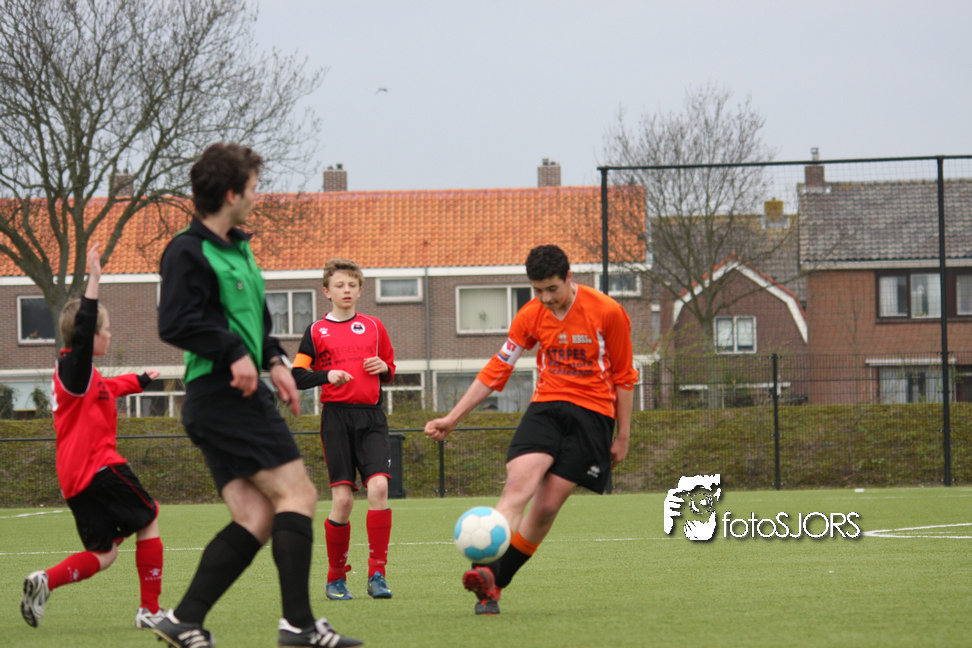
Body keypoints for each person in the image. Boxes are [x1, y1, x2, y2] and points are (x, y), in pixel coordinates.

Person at [155, 143, 362, 648]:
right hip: (221, 395)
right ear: (232, 194)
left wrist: (275, 363)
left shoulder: (240, 248)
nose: (256, 196)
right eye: (252, 188)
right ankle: (299, 626)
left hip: (235, 393)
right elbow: (175, 323)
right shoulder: (186, 251)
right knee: (299, 495)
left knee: (255, 516)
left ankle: (183, 619)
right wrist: (233, 352)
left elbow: (256, 325)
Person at [424, 244, 638, 615]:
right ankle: (484, 573)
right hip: (546, 409)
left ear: (569, 278)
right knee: (517, 488)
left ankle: (497, 580)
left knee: (546, 507)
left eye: (552, 289)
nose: (545, 298)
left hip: (593, 416)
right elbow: (498, 368)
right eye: (537, 290)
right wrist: (452, 418)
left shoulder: (607, 311)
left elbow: (625, 376)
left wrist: (622, 436)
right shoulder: (531, 314)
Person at [20, 243, 166, 630]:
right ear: (88, 336)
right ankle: (150, 610)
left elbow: (110, 388)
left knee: (104, 553)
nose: (109, 334)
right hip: (98, 467)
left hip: (75, 479)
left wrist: (141, 380)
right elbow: (84, 330)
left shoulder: (85, 377)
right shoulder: (74, 366)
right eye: (106, 329)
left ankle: (46, 581)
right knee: (149, 518)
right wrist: (94, 279)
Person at [292, 259, 397, 601]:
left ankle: (377, 575)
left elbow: (390, 368)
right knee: (343, 500)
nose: (346, 290)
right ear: (327, 291)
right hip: (336, 419)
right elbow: (297, 376)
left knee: (379, 487)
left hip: (372, 418)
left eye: (352, 285)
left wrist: (383, 367)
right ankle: (335, 578)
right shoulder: (315, 331)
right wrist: (327, 374)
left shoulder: (375, 327)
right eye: (339, 285)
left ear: (360, 290)